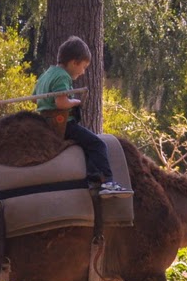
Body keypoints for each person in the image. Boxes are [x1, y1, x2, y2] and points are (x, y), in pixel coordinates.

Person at [34, 36, 130, 197]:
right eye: (84, 67)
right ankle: (106, 181)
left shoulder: (47, 74)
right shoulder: (62, 76)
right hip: (62, 124)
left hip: (45, 121)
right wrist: (75, 102)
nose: (83, 72)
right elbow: (60, 103)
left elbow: (37, 97)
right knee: (97, 144)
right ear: (74, 62)